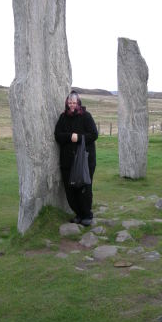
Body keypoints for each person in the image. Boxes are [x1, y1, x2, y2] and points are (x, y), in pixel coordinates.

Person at [55, 90, 98, 226]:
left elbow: (94, 134)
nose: (72, 105)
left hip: (85, 159)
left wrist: (79, 137)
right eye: (70, 103)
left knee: (84, 188)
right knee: (70, 189)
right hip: (67, 161)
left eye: (74, 103)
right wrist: (69, 136)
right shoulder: (63, 118)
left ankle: (87, 215)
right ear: (67, 103)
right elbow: (57, 135)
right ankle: (78, 214)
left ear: (78, 103)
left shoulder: (86, 117)